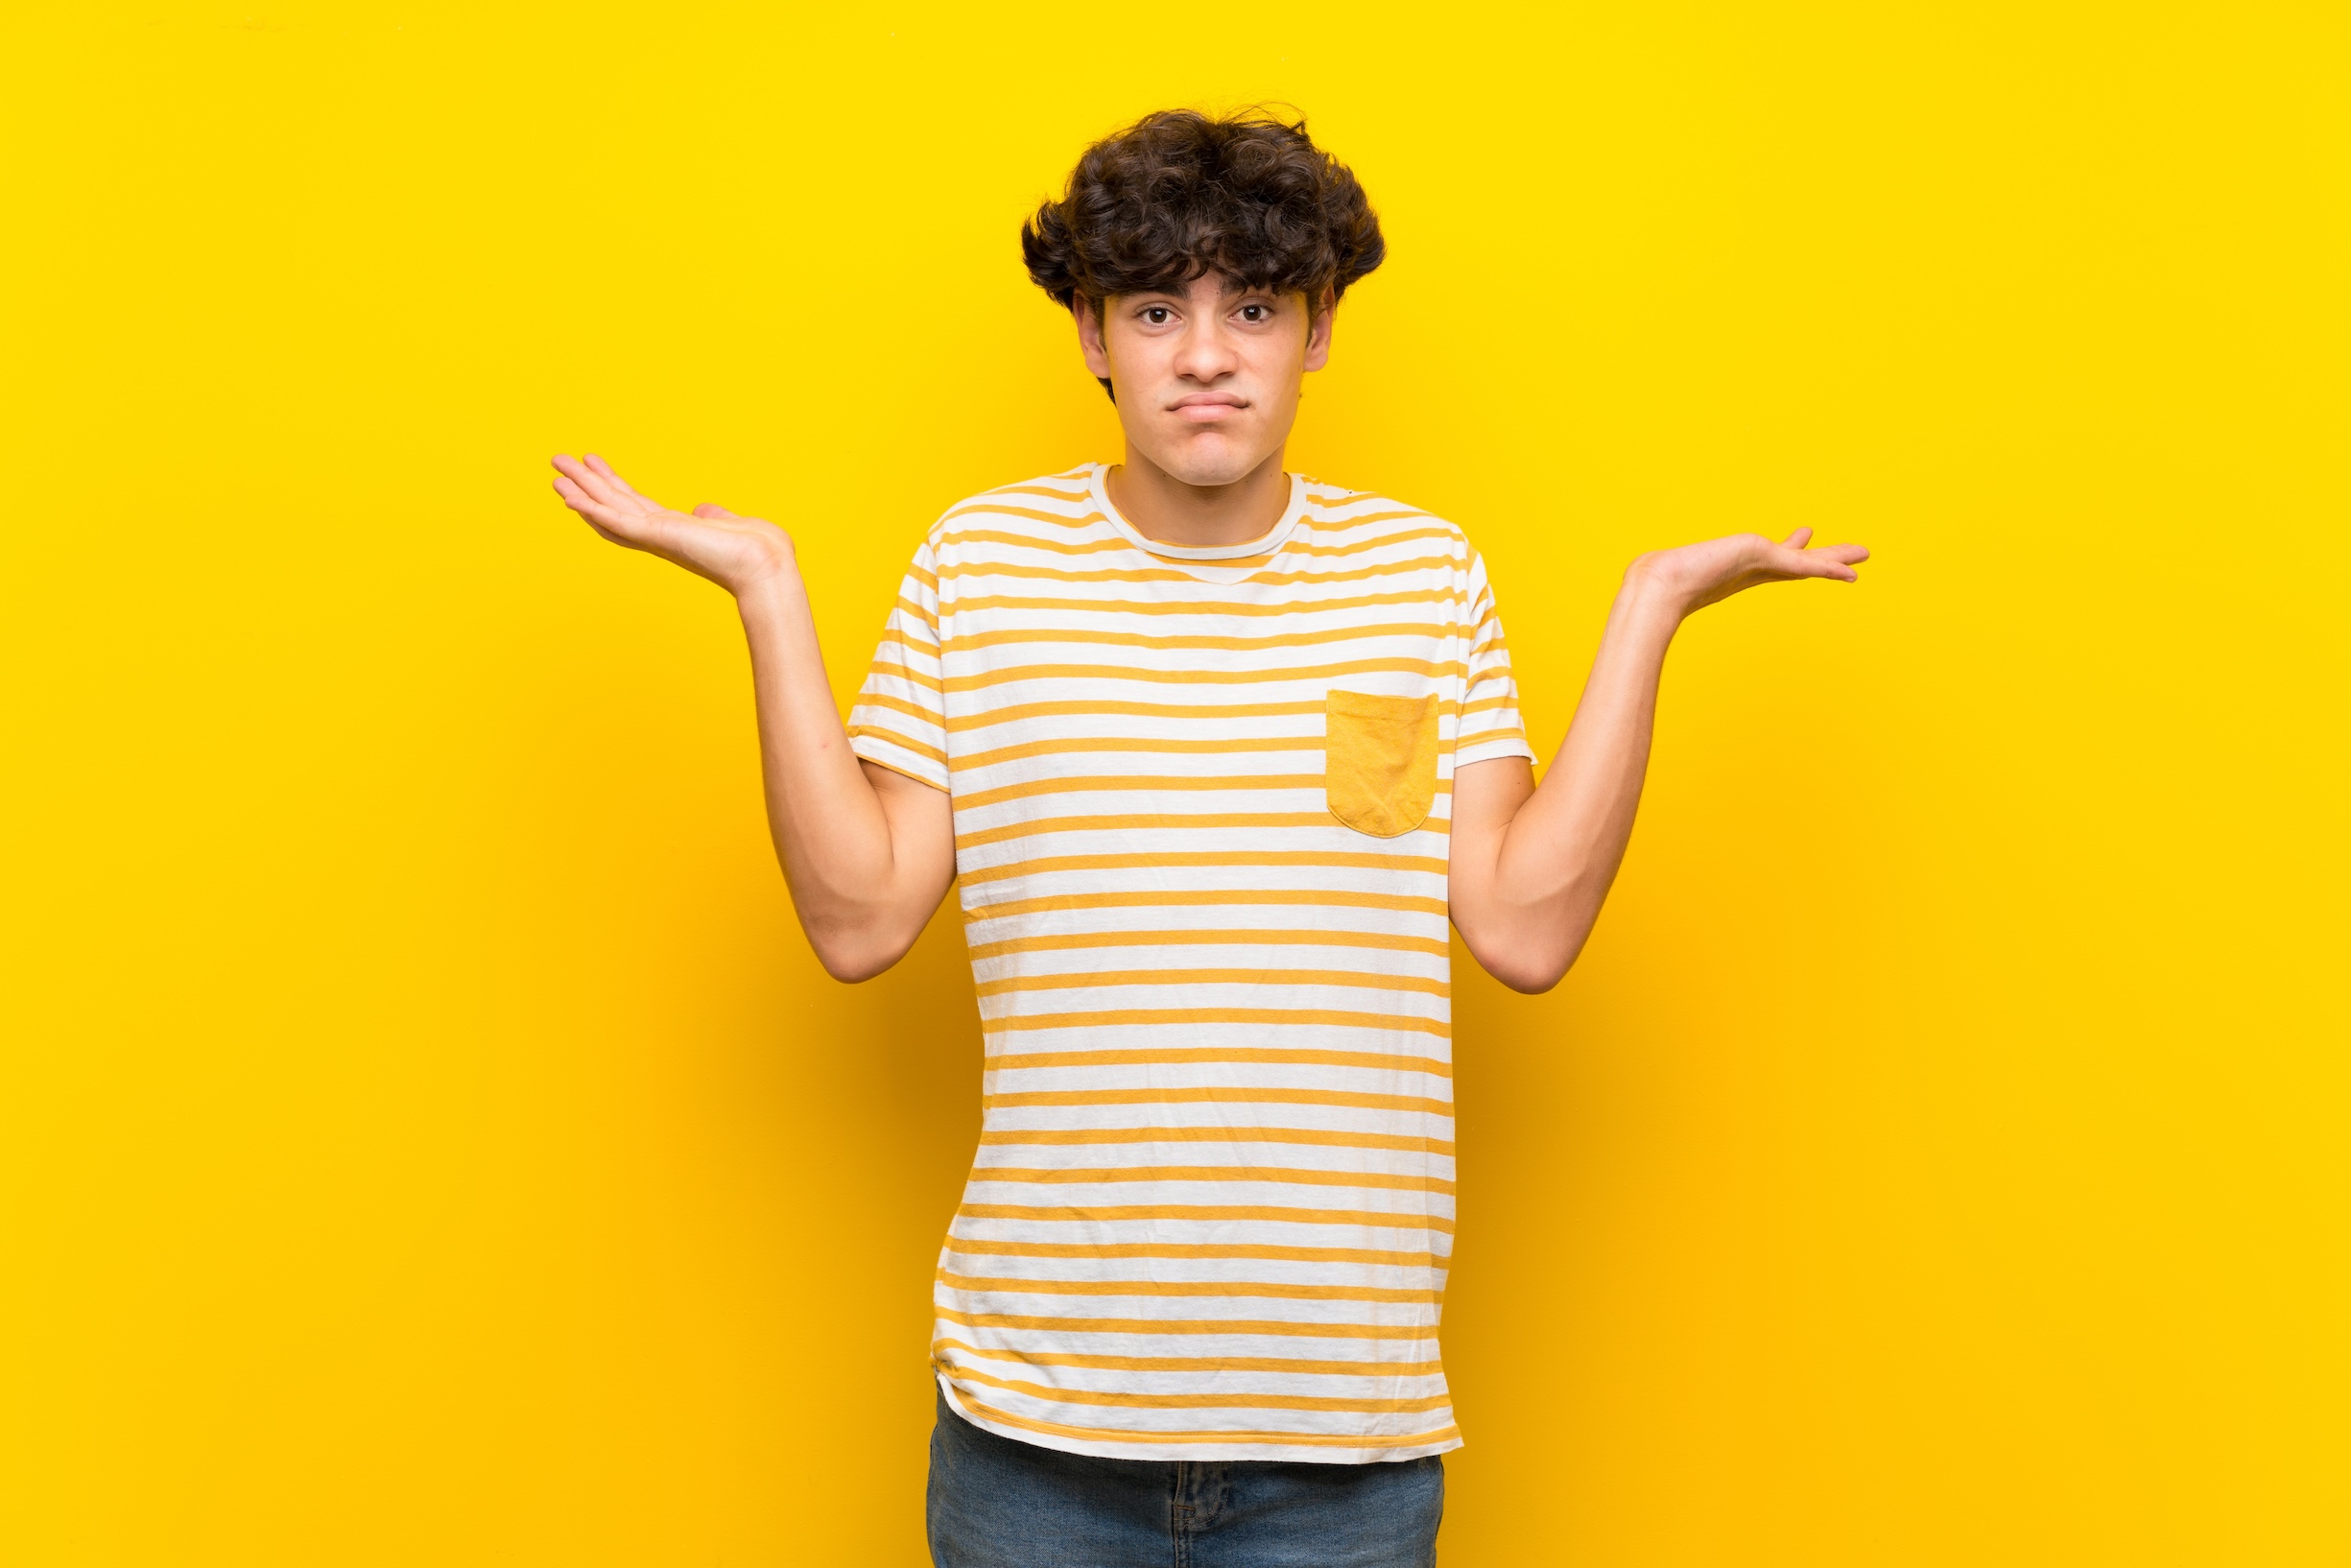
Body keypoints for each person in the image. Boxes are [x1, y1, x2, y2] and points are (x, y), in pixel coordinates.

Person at [551, 107, 1865, 1568]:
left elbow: (1522, 927)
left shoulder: (1414, 576)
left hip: (1341, 1441)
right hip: (1033, 1431)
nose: (1202, 351)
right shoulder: (980, 565)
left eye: (1252, 306)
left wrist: (1649, 606)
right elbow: (859, 921)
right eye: (1155, 306)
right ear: (1093, 338)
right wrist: (767, 590)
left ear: (1314, 335)